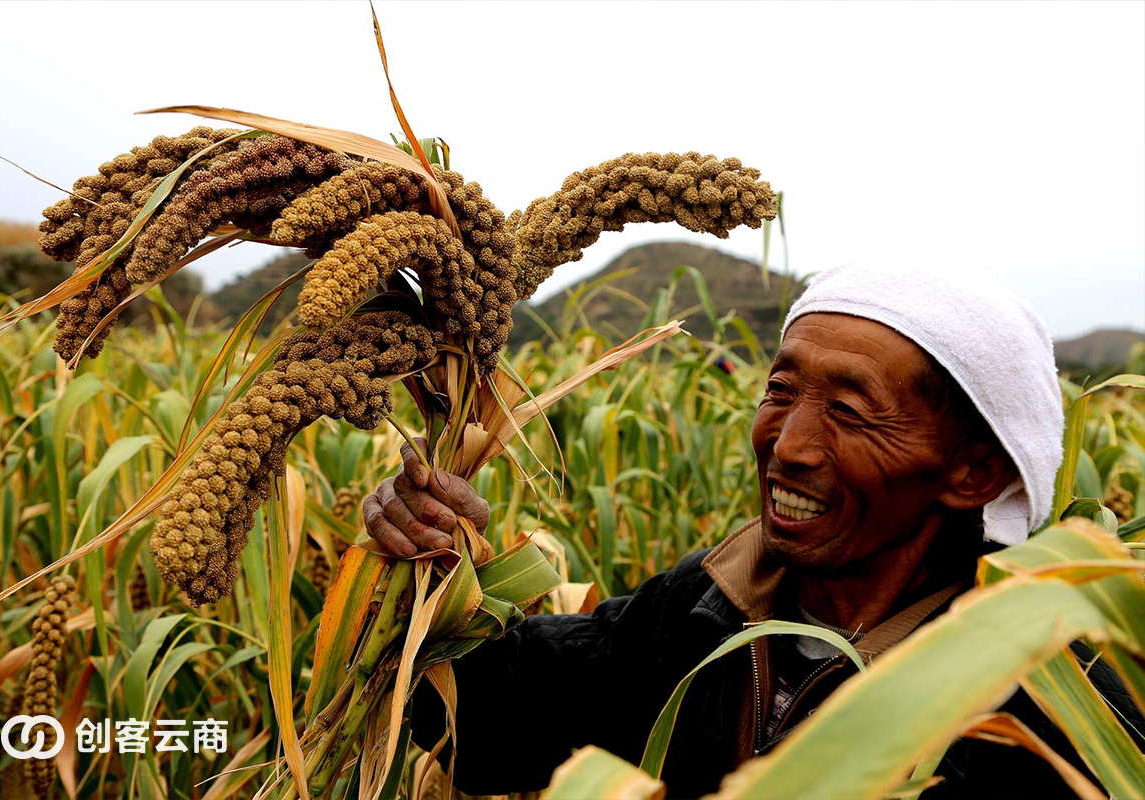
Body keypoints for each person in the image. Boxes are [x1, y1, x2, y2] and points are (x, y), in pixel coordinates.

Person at [361, 265, 1144, 798]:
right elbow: (478, 719)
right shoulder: (707, 605)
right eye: (781, 390)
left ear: (973, 472)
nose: (789, 444)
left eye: (849, 409)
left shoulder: (1050, 708)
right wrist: (425, 564)